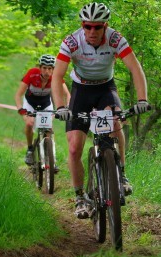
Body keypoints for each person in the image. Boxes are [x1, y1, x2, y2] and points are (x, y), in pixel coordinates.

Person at [52, 2, 149, 219]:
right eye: (87, 26)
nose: (92, 31)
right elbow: (57, 77)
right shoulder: (71, 41)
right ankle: (79, 197)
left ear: (105, 26)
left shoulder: (115, 39)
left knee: (116, 123)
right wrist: (60, 107)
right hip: (81, 91)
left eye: (97, 27)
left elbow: (135, 68)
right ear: (82, 25)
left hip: (105, 88)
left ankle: (121, 175)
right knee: (75, 147)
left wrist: (142, 99)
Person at [15, 55, 70, 168]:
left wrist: (66, 107)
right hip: (30, 103)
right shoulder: (32, 73)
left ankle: (52, 160)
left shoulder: (56, 76)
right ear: (39, 68)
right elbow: (18, 95)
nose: (47, 71)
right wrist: (21, 110)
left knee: (49, 129)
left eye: (50, 68)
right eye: (44, 68)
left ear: (53, 69)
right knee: (29, 123)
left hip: (45, 103)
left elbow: (67, 94)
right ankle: (30, 149)